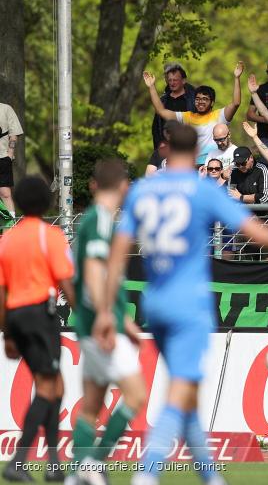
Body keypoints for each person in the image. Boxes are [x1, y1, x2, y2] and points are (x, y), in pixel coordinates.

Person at [93, 124, 268, 485]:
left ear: (166, 148)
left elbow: (119, 253)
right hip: (189, 304)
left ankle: (209, 475)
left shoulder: (144, 190)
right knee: (181, 390)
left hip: (155, 303)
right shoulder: (203, 189)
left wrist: (108, 311)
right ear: (200, 154)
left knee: (188, 392)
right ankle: (148, 471)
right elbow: (250, 227)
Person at [68, 160, 147, 484]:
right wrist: (106, 316)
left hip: (90, 323)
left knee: (91, 407)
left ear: (93, 185)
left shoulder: (91, 219)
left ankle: (76, 473)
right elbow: (94, 271)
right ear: (125, 187)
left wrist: (125, 322)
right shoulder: (100, 218)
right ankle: (94, 464)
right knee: (136, 396)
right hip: (100, 324)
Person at [0, 177, 74, 482]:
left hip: (16, 316)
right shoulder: (51, 235)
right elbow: (66, 280)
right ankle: (19, 460)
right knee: (49, 388)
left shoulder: (8, 239)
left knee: (55, 387)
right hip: (40, 316)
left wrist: (7, 333)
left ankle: (54, 463)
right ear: (46, 204)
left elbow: (2, 292)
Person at [144, 63, 242, 152]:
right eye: (198, 99)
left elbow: (236, 103)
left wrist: (237, 78)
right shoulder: (187, 117)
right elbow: (161, 111)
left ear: (212, 103)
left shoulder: (219, 116)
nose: (200, 102)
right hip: (193, 165)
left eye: (205, 99)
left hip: (212, 165)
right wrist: (151, 86)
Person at [150, 63, 196, 151]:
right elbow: (156, 127)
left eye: (175, 80)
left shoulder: (194, 99)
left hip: (187, 148)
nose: (172, 83)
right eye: (170, 80)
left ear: (183, 80)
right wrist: (158, 148)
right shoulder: (163, 100)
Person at [0, 102, 23, 216]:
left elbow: (14, 132)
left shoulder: (6, 109)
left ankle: (10, 226)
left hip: (2, 157)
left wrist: (10, 153)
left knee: (5, 193)